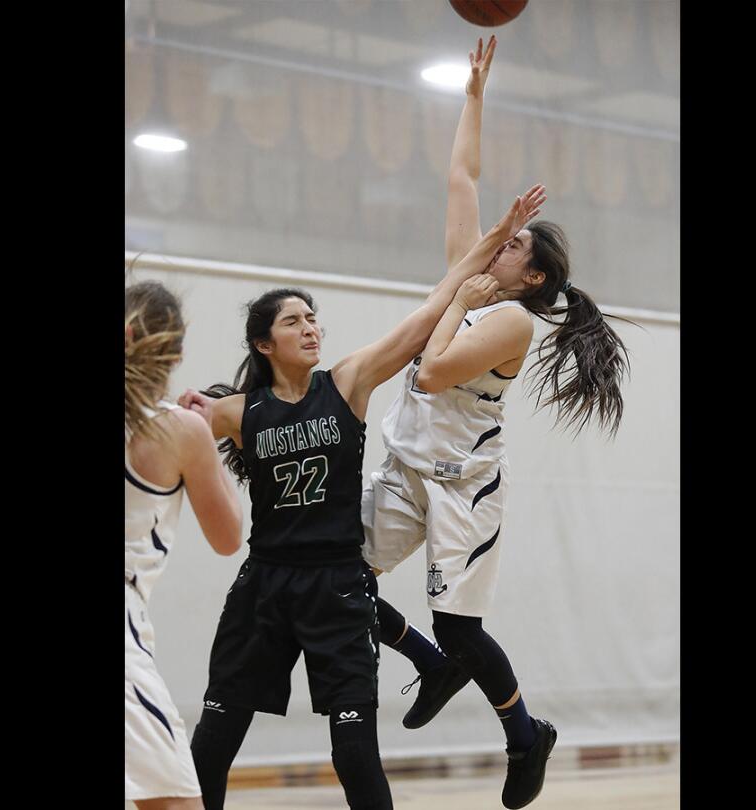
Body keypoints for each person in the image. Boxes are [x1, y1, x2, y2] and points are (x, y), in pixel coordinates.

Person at [177, 188, 547, 810]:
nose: (310, 326)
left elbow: (434, 306)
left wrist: (496, 236)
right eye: (293, 321)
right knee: (212, 745)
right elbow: (154, 430)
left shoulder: (347, 381)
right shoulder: (237, 412)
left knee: (354, 755)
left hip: (338, 588)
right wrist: (175, 411)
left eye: (312, 316)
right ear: (264, 344)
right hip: (263, 587)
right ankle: (433, 665)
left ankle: (439, 670)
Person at [362, 36, 633, 810]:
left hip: (463, 486)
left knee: (461, 629)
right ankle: (427, 660)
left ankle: (525, 733)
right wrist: (474, 94)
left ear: (534, 274)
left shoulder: (511, 320)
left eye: (513, 244)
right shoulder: (478, 277)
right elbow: (461, 177)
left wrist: (453, 296)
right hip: (407, 465)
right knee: (337, 580)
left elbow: (432, 369)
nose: (498, 245)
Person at [125, 281, 246, 809]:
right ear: (174, 353)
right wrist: (210, 435)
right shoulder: (180, 431)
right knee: (174, 802)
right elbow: (228, 537)